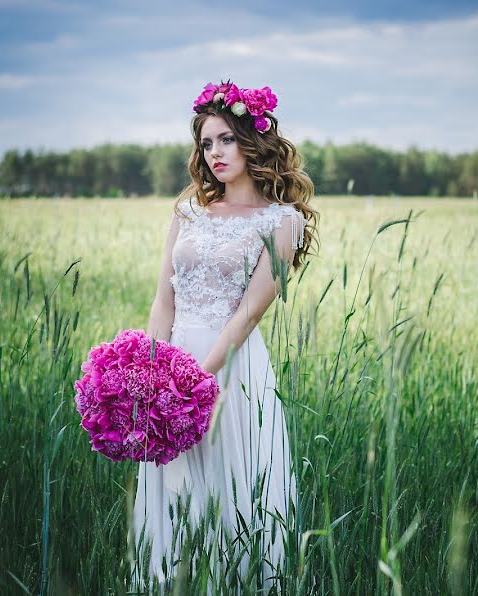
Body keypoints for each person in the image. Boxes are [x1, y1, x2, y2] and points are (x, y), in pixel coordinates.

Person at [130, 80, 319, 593]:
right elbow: (162, 299)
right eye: (207, 143)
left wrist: (195, 380)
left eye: (226, 139)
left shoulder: (283, 222)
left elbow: (248, 315)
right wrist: (154, 373)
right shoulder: (188, 211)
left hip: (231, 371)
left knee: (231, 489)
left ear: (253, 141)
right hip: (171, 366)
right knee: (175, 491)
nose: (214, 153)